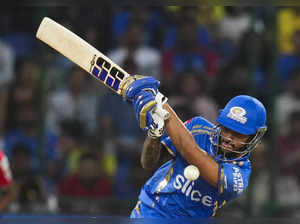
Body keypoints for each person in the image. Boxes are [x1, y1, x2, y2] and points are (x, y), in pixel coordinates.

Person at [120, 75, 267, 218]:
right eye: (226, 128)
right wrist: (154, 134)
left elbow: (191, 152)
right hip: (151, 211)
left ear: (254, 136)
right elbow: (148, 163)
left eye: (238, 134)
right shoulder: (198, 127)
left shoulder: (239, 175)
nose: (228, 138)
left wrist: (160, 102)